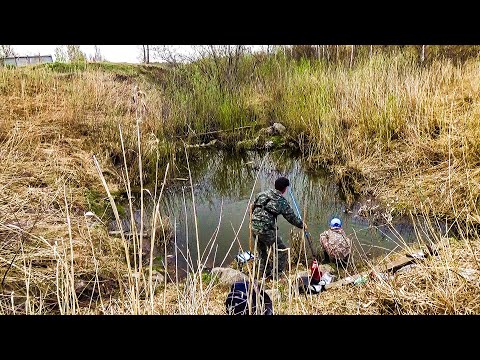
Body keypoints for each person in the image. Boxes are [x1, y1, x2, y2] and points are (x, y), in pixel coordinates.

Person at [251, 177, 306, 279]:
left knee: (262, 252)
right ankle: (276, 275)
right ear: (284, 189)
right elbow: (291, 217)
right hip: (266, 230)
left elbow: (252, 208)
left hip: (254, 226)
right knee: (282, 251)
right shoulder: (281, 201)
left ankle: (264, 273)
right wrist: (302, 225)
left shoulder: (261, 194)